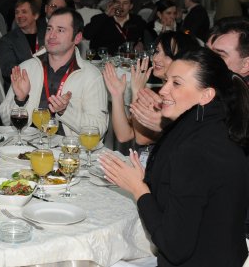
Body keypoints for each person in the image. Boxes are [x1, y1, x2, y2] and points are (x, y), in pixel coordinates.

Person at [100, 48, 249, 266]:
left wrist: (139, 189)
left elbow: (174, 247)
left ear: (206, 95)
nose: (163, 90)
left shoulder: (195, 149)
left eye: (176, 83)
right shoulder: (220, 128)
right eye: (166, 80)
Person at [0, 8, 108, 135]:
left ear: (77, 38)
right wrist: (20, 100)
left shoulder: (91, 76)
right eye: (49, 29)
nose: (51, 35)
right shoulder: (26, 69)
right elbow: (5, 121)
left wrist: (65, 111)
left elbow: (99, 129)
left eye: (60, 30)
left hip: (68, 146)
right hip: (29, 143)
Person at [103, 31, 200, 150]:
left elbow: (141, 139)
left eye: (167, 54)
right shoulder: (156, 92)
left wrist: (138, 91)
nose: (156, 58)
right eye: (157, 51)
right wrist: (117, 95)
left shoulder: (180, 99)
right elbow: (124, 135)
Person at [0, 0, 44, 89]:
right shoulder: (7, 40)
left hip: (45, 83)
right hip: (21, 87)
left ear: (35, 15)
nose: (19, 15)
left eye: (24, 12)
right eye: (17, 12)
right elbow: (8, 69)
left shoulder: (46, 35)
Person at [84, 0, 148, 54]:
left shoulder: (137, 20)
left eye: (125, 3)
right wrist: (106, 14)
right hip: (103, 58)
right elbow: (86, 35)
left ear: (131, 6)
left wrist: (141, 42)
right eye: (118, 2)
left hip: (128, 58)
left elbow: (146, 35)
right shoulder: (101, 19)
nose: (121, 6)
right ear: (113, 4)